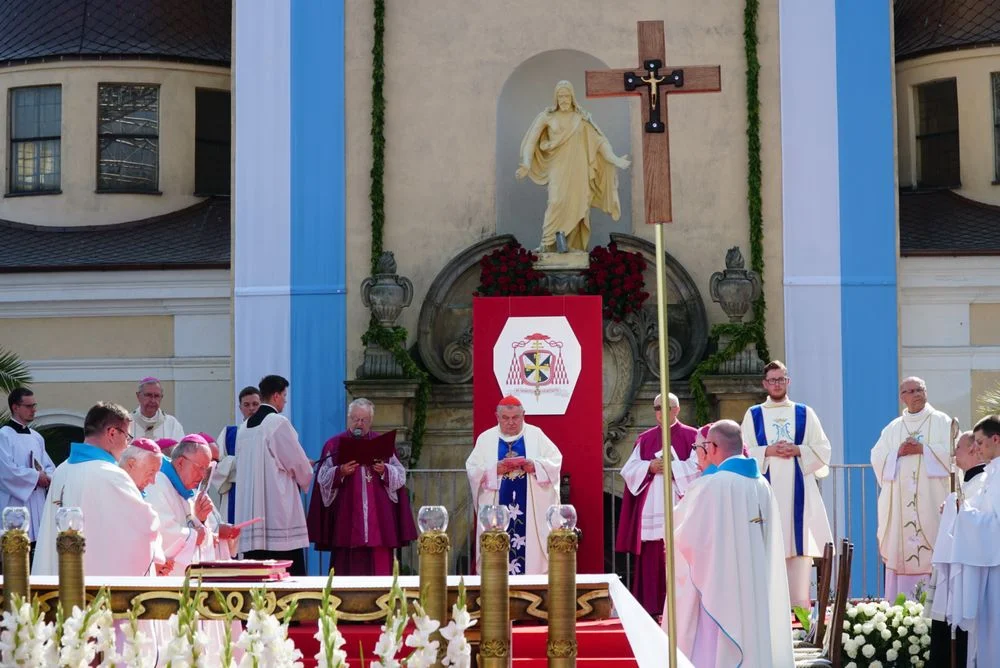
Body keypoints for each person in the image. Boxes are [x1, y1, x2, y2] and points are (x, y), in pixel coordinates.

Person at [665, 420, 794, 666]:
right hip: (756, 581)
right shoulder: (762, 485)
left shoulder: (715, 485)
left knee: (719, 643)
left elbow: (689, 540)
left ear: (712, 447)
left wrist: (672, 530)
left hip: (724, 586)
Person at [740, 360, 833, 610]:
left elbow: (824, 449)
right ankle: (768, 613)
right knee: (767, 550)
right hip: (765, 492)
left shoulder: (804, 413)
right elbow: (743, 449)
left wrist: (798, 450)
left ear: (788, 381)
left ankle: (801, 613)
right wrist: (768, 450)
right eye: (772, 380)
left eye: (781, 379)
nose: (776, 384)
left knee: (799, 548)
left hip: (800, 493)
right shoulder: (754, 414)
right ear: (764, 383)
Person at [33, 402, 162, 577]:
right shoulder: (112, 475)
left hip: (60, 579)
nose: (126, 445)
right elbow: (145, 526)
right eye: (127, 437)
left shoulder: (61, 470)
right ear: (112, 433)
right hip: (94, 586)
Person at [516, 80, 630, 253]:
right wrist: (526, 163)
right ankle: (548, 244)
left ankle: (571, 246)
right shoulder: (547, 117)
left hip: (579, 169)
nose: (563, 99)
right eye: (560, 96)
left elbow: (599, 141)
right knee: (555, 201)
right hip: (557, 167)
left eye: (566, 96)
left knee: (579, 205)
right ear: (556, 98)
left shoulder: (581, 119)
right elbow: (531, 141)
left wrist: (615, 159)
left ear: (572, 97)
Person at [306, 398, 417, 575]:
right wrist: (340, 471)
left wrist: (384, 470)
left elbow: (400, 474)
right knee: (346, 567)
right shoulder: (334, 444)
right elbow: (323, 477)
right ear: (349, 419)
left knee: (379, 566)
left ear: (371, 421)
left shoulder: (381, 443)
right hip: (346, 516)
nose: (359, 423)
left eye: (364, 420)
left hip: (378, 516)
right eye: (355, 419)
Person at [615, 394, 701, 614]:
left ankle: (683, 609)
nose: (661, 411)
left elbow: (699, 466)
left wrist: (674, 468)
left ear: (677, 409)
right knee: (652, 557)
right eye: (657, 407)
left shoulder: (692, 436)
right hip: (653, 505)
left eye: (666, 407)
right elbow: (629, 470)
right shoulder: (645, 439)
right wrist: (649, 467)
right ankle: (651, 607)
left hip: (679, 502)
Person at [871, 376, 951, 600]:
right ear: (902, 397)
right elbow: (877, 457)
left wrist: (923, 450)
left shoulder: (941, 421)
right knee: (901, 547)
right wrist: (897, 452)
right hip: (901, 508)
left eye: (920, 390)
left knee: (935, 546)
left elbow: (953, 454)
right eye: (911, 391)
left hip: (932, 502)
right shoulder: (893, 428)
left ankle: (936, 606)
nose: (916, 394)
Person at [466, 395, 562, 575]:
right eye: (505, 418)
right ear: (497, 416)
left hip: (530, 513)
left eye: (515, 418)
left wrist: (534, 466)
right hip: (497, 504)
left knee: (530, 552)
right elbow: (472, 469)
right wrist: (494, 470)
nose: (511, 422)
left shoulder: (536, 434)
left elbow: (555, 461)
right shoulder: (486, 439)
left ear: (523, 415)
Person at [932, 414, 1000, 666]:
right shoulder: (992, 473)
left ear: (996, 439)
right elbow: (980, 512)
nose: (977, 448)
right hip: (986, 565)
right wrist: (959, 508)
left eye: (980, 443)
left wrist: (964, 513)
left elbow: (995, 524)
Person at [234, 374, 313, 575]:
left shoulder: (244, 427)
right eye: (284, 396)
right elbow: (296, 463)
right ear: (276, 396)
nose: (285, 401)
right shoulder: (277, 423)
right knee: (286, 575)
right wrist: (306, 470)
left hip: (252, 516)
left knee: (256, 575)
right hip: (277, 513)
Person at [928, 430, 986, 667]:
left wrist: (956, 507)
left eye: (958, 449)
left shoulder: (983, 483)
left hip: (969, 569)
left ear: (973, 449)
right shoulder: (968, 482)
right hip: (955, 567)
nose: (954, 455)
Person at [0, 388, 55, 547]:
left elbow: (48, 465)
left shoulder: (36, 437)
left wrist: (48, 476)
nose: (34, 410)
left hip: (36, 504)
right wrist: (36, 477)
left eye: (34, 405)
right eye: (29, 406)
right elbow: (6, 471)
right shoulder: (3, 435)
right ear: (15, 407)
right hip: (14, 505)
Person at [211, 386, 261, 524]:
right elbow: (215, 467)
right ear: (240, 408)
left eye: (255, 404)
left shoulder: (268, 433)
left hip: (260, 494)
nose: (251, 408)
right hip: (235, 493)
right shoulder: (229, 434)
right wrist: (238, 463)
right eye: (247, 404)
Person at [130, 377, 184, 441]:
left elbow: (180, 450)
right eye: (148, 395)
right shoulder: (127, 423)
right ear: (138, 396)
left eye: (157, 396)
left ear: (161, 397)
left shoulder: (172, 424)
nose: (153, 400)